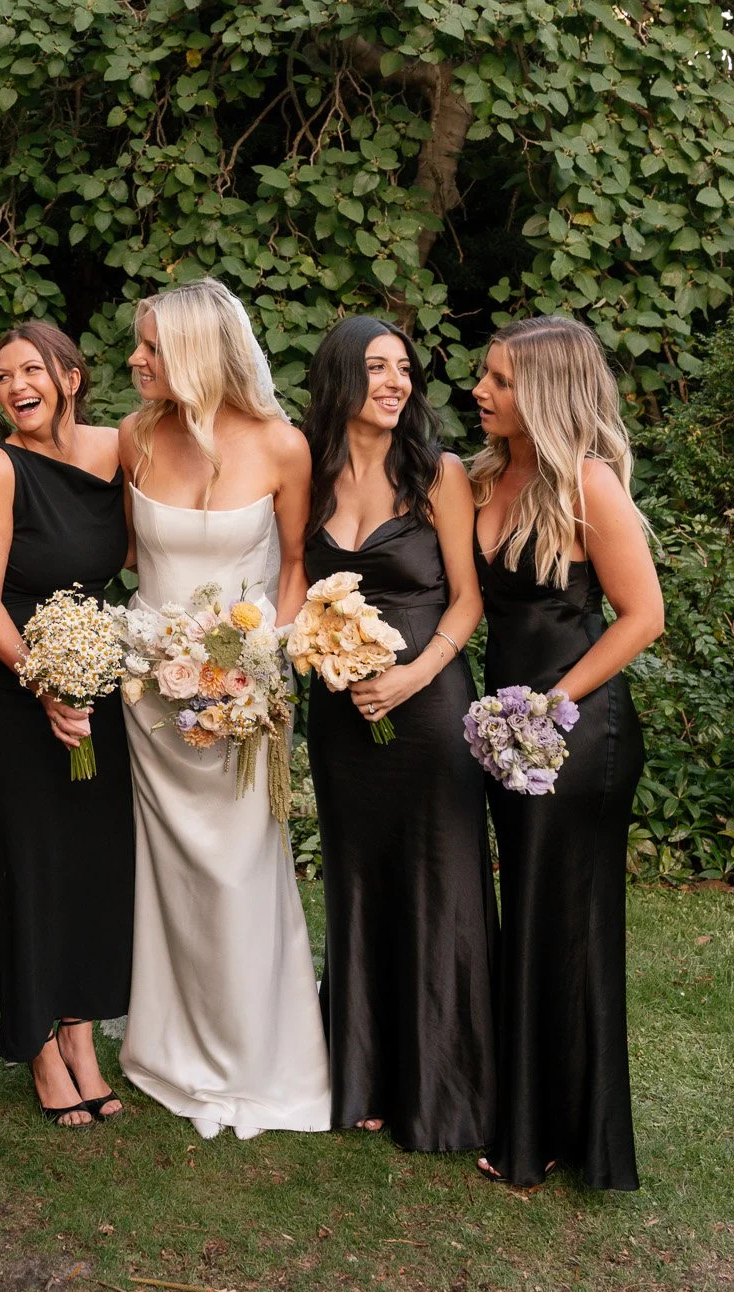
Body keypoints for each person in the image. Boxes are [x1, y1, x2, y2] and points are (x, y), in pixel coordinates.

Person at [117, 278, 330, 1139]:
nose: (133, 360)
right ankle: (167, 1044)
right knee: (166, 871)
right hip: (151, 696)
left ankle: (254, 1053)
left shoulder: (283, 447)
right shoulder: (133, 438)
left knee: (243, 868)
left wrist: (256, 665)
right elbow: (130, 558)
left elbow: (291, 571)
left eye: (151, 347)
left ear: (199, 352)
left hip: (247, 697)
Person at [471, 315, 664, 1190]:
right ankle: (522, 1114)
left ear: (544, 393)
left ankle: (558, 1135)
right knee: (529, 915)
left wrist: (554, 704)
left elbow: (642, 616)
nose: (480, 391)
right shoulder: (485, 476)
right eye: (484, 376)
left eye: (501, 382)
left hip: (576, 730)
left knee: (563, 920)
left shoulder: (588, 485)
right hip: (506, 729)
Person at [302, 316, 494, 1151]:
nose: (394, 382)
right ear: (340, 379)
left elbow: (468, 597)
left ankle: (442, 1089)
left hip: (428, 705)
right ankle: (366, 1073)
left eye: (403, 369)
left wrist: (415, 675)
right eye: (375, 368)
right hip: (340, 718)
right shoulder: (307, 477)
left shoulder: (437, 473)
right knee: (357, 880)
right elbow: (288, 587)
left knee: (439, 881)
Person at [0, 324, 134, 1128]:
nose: (15, 386)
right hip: (13, 689)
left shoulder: (118, 448)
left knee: (94, 867)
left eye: (30, 370)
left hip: (100, 678)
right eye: (1, 378)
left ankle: (82, 1034)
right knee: (30, 865)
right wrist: (44, 684)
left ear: (70, 375)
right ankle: (36, 1042)